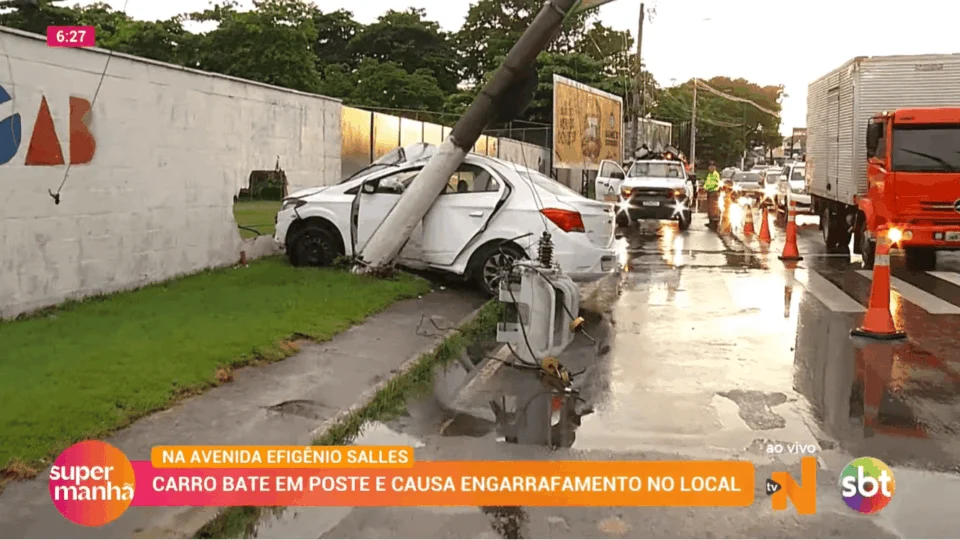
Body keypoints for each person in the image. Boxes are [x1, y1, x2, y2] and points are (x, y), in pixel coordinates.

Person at [703, 162, 721, 228]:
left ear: (715, 167)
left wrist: (707, 188)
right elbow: (707, 183)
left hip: (714, 192)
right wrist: (704, 188)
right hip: (709, 192)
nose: (710, 168)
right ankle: (711, 221)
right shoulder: (709, 175)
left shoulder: (715, 175)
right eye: (710, 166)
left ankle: (714, 222)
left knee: (713, 208)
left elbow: (713, 184)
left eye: (712, 166)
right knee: (709, 208)